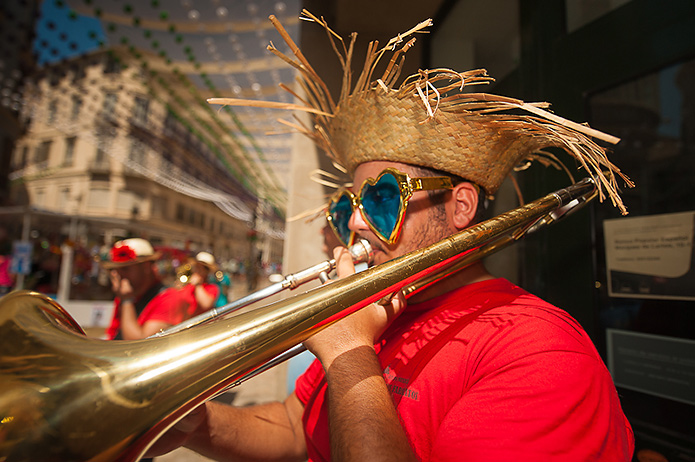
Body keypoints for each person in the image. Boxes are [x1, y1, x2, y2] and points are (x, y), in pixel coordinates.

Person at [148, 13, 634, 461]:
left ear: (460, 206)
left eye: (381, 199)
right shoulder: (379, 310)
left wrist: (347, 354)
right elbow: (297, 428)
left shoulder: (536, 348)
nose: (356, 223)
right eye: (349, 205)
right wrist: (198, 424)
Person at [104, 238, 192, 340]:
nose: (117, 275)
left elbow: (139, 345)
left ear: (146, 267)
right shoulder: (125, 295)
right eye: (115, 270)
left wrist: (126, 300)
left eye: (125, 268)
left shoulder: (170, 298)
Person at [179, 251, 220, 315]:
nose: (197, 269)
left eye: (201, 267)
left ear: (207, 271)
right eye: (196, 266)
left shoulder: (212, 288)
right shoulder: (189, 285)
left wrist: (198, 285)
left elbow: (206, 304)